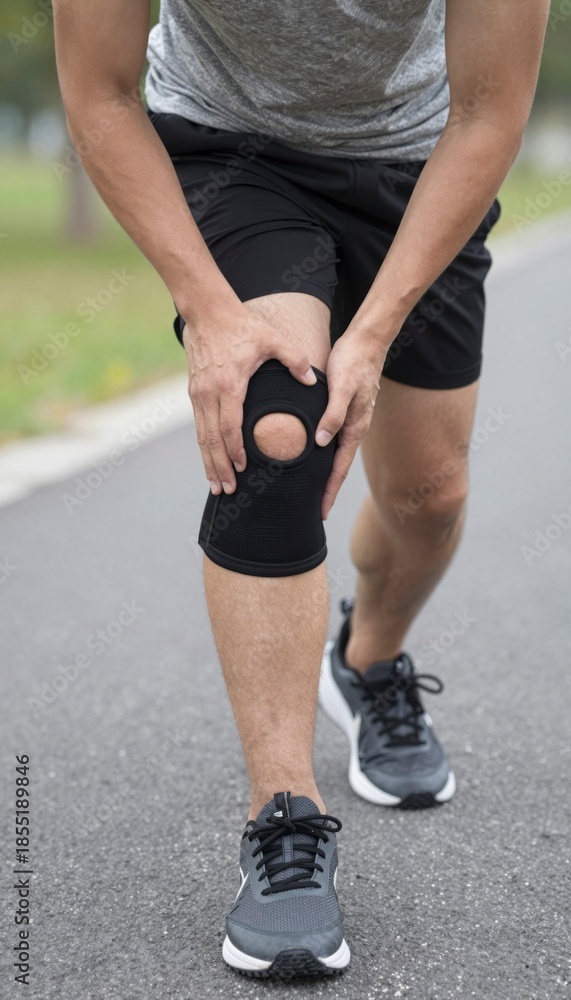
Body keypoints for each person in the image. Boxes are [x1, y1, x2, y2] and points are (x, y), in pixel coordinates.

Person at [54, 0, 549, 980]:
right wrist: (207, 310)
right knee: (275, 433)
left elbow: (488, 111)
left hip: (418, 161)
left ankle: (369, 661)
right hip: (233, 151)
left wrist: (374, 332)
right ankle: (283, 816)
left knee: (429, 495)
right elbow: (100, 91)